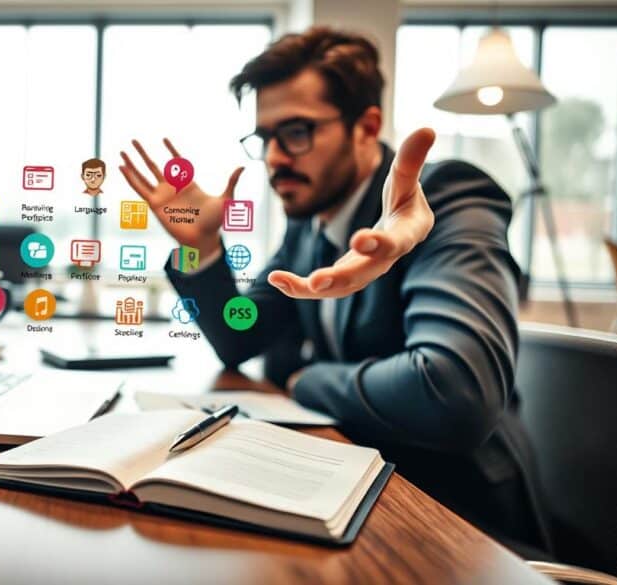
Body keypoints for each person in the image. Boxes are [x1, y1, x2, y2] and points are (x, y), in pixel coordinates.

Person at [119, 26, 551, 555]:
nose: (275, 158)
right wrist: (204, 248)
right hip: (343, 497)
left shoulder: (447, 196)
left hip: (457, 523)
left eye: (296, 132)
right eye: (266, 139)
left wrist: (306, 381)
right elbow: (240, 336)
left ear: (366, 127)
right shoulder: (309, 228)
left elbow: (453, 391)